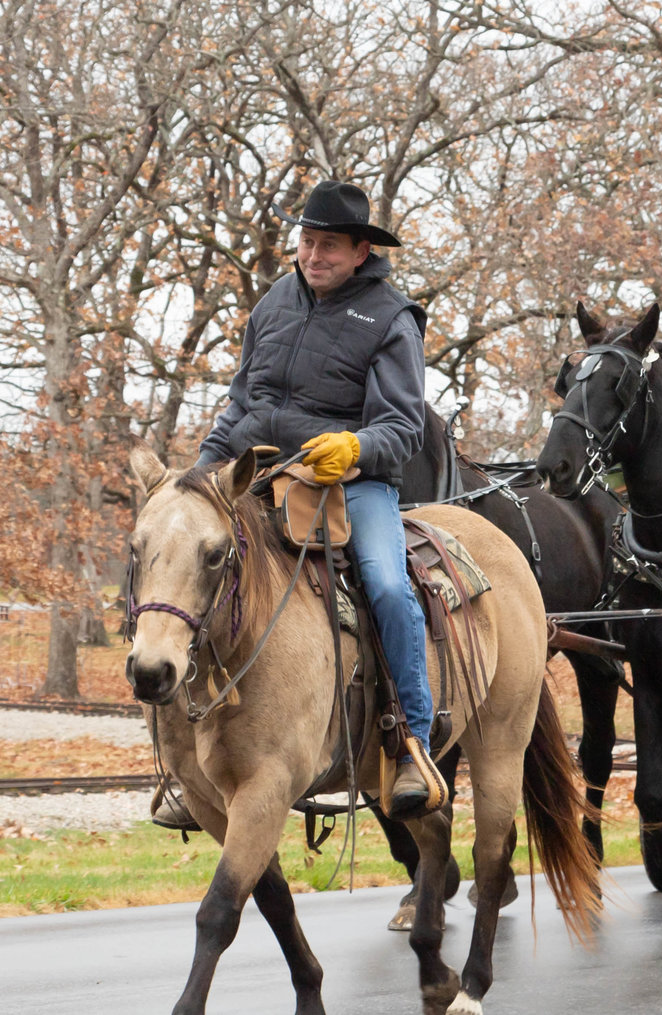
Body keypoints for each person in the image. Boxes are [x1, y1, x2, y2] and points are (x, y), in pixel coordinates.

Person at [163, 180, 436, 827]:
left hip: (352, 484)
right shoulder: (274, 304)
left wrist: (355, 446)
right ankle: (188, 763)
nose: (314, 255)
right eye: (307, 241)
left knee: (389, 588)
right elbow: (242, 408)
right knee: (190, 569)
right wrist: (199, 479)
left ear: (362, 250)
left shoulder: (392, 318)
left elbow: (404, 426)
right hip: (262, 479)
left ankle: (411, 743)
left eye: (329, 246)